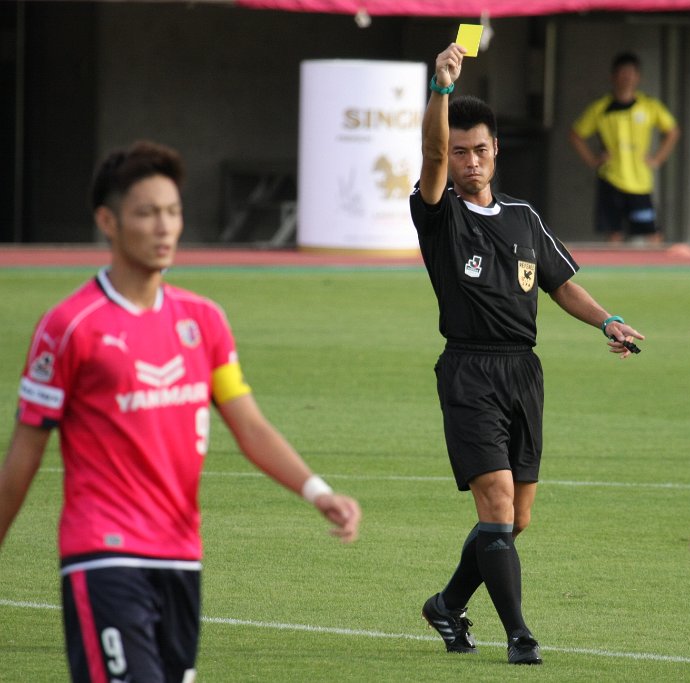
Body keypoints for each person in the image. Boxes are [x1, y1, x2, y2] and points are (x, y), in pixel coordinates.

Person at [0, 140, 362, 682]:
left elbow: (250, 426)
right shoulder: (70, 326)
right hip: (103, 555)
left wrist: (318, 491)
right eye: (147, 213)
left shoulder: (203, 321)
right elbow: (24, 456)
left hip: (180, 556)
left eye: (172, 212)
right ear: (108, 222)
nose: (164, 227)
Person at [410, 43, 644, 665]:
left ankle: (446, 604)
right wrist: (441, 90)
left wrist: (608, 321)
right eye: (460, 151)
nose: (469, 161)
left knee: (515, 520)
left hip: (523, 372)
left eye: (479, 150)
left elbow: (561, 284)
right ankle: (519, 635)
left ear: (496, 151)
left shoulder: (523, 217)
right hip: (469, 369)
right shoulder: (439, 213)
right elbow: (431, 155)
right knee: (495, 502)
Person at [569, 51, 680, 244]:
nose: (627, 78)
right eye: (623, 73)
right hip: (611, 178)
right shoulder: (601, 108)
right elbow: (576, 134)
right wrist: (593, 160)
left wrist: (657, 159)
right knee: (614, 234)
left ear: (638, 77)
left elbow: (672, 131)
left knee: (652, 234)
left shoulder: (649, 106)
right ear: (613, 77)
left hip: (640, 181)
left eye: (631, 73)